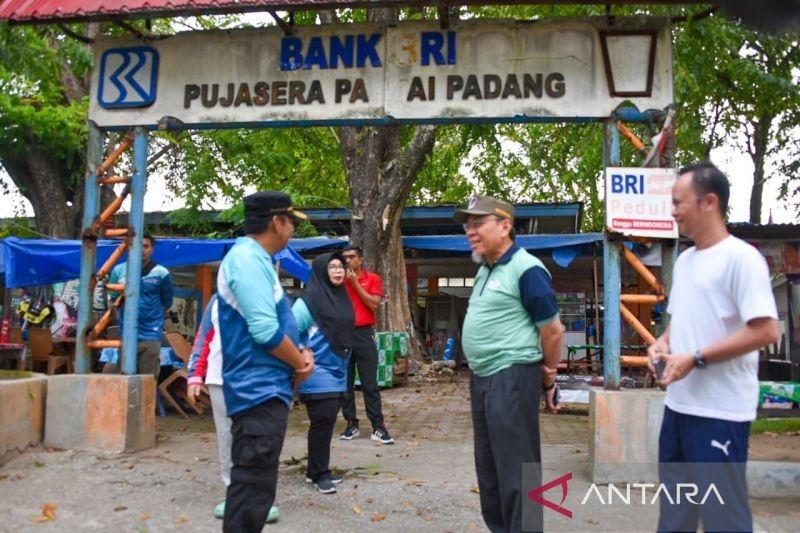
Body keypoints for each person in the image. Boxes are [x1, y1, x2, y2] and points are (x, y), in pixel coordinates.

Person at [647, 162, 779, 531]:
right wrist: (662, 343)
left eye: (679, 202)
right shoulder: (687, 261)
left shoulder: (742, 259)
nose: (673, 211)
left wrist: (697, 358)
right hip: (678, 408)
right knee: (675, 517)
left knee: (724, 520)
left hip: (719, 414)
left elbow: (767, 330)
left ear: (709, 202)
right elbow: (682, 320)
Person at [454, 195, 562, 532]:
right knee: (489, 470)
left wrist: (548, 377)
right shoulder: (486, 268)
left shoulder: (525, 268)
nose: (470, 230)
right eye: (467, 225)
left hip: (513, 376)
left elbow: (553, 331)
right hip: (484, 378)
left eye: (478, 223)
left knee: (519, 470)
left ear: (505, 225)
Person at [216, 191, 314, 533]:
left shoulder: (258, 260)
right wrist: (300, 362)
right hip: (256, 389)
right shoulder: (247, 260)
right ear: (277, 221)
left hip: (266, 388)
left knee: (257, 484)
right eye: (291, 222)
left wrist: (300, 351)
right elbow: (264, 331)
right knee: (252, 485)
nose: (293, 230)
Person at [185, 294, 280, 523]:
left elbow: (281, 337)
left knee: (260, 439)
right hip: (221, 380)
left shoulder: (270, 295)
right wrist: (195, 375)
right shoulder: (217, 301)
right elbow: (204, 337)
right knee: (227, 438)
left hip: (260, 381)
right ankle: (234, 495)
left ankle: (259, 498)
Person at [292, 252, 355, 494]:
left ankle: (314, 470)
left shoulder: (340, 295)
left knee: (327, 421)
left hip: (338, 366)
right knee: (323, 420)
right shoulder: (310, 299)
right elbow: (291, 327)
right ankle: (320, 474)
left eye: (341, 267)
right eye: (333, 267)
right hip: (317, 369)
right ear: (321, 270)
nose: (339, 271)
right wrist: (302, 350)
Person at [339, 245, 394, 444]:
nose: (348, 261)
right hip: (343, 334)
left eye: (352, 257)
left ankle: (378, 426)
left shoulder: (372, 279)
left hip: (363, 333)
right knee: (345, 384)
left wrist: (354, 283)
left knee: (370, 383)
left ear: (360, 259)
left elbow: (373, 304)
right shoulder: (338, 281)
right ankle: (351, 423)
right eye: (345, 257)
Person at [107, 233, 173, 377]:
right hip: (127, 334)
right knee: (124, 379)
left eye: (146, 246)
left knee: (147, 380)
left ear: (152, 249)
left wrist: (151, 318)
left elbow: (167, 303)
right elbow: (113, 300)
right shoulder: (119, 270)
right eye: (138, 246)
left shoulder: (162, 273)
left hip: (151, 335)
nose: (142, 250)